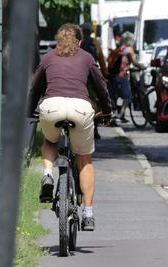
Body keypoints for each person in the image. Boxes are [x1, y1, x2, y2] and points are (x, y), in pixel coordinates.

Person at [29, 23, 112, 232]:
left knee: (50, 141)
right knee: (84, 158)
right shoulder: (87, 57)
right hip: (80, 108)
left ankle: (48, 174)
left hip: (52, 107)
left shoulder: (48, 57)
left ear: (58, 39)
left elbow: (35, 87)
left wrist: (29, 110)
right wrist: (107, 110)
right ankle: (88, 214)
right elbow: (101, 86)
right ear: (80, 41)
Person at [109, 32, 144, 123]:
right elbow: (135, 62)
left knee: (116, 96)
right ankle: (120, 115)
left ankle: (116, 114)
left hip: (114, 75)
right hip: (122, 76)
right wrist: (142, 67)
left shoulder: (119, 49)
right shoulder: (129, 49)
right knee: (128, 97)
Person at [80, 23, 107, 139]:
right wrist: (105, 74)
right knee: (98, 99)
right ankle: (95, 127)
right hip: (92, 75)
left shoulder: (75, 42)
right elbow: (101, 60)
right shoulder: (95, 43)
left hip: (78, 76)